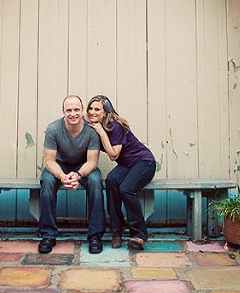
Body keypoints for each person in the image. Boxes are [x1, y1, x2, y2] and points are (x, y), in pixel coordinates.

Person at [86, 95, 156, 250]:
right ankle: (117, 230)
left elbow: (113, 155)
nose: (92, 111)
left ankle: (139, 234)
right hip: (127, 165)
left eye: (97, 109)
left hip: (144, 162)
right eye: (90, 108)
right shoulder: (95, 125)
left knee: (126, 188)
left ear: (106, 112)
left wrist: (102, 133)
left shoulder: (114, 126)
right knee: (111, 181)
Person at [38, 95, 105, 254]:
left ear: (82, 111)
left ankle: (95, 236)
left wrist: (77, 174)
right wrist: (63, 177)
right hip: (59, 165)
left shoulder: (91, 131)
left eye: (76, 109)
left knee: (96, 180)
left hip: (83, 165)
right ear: (63, 112)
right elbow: (50, 162)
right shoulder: (53, 129)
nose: (73, 113)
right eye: (69, 110)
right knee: (47, 181)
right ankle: (48, 235)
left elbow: (92, 162)